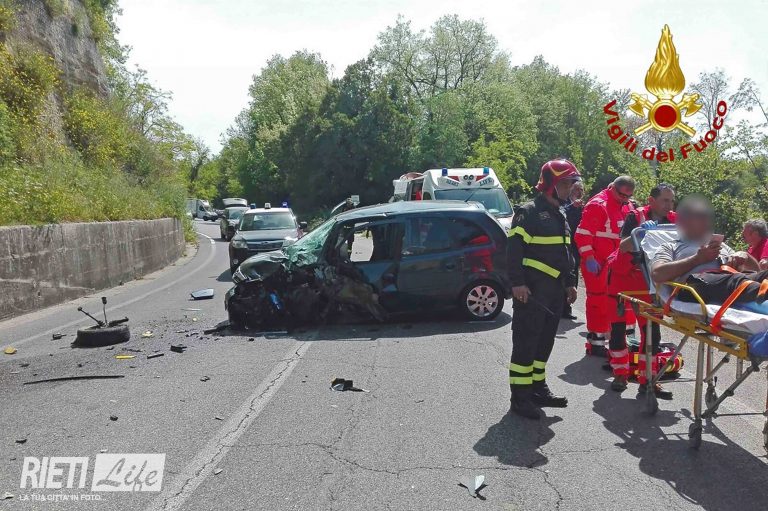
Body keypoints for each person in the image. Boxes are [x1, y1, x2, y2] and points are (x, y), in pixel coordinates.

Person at [508, 158, 580, 420]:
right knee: (526, 345)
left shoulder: (561, 213)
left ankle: (538, 389)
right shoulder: (528, 212)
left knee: (544, 343)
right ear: (551, 184)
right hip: (532, 292)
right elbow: (513, 251)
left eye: (571, 183)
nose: (571, 188)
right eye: (566, 183)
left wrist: (570, 282)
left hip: (554, 292)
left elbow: (566, 252)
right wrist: (517, 283)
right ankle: (520, 398)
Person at [607, 184, 677, 398]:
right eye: (665, 200)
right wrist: (639, 234)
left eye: (672, 200)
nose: (669, 205)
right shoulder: (635, 217)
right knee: (618, 331)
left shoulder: (674, 222)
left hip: (648, 282)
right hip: (622, 278)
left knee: (652, 334)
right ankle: (620, 374)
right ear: (651, 200)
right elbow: (623, 246)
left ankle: (648, 379)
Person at [651, 196, 767, 308]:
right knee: (735, 280)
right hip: (695, 285)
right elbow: (657, 274)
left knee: (763, 275)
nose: (706, 221)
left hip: (728, 280)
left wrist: (745, 256)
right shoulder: (671, 247)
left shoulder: (719, 244)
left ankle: (761, 292)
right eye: (699, 217)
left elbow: (757, 270)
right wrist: (697, 259)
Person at [575, 176, 636, 356]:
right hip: (598, 263)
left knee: (623, 302)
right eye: (622, 195)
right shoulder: (598, 205)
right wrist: (589, 257)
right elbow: (582, 235)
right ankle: (596, 343)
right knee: (598, 301)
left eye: (628, 196)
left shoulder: (627, 206)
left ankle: (623, 341)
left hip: (618, 264)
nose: (625, 199)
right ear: (613, 188)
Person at [562, 181, 585, 320]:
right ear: (571, 189)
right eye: (576, 189)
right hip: (564, 244)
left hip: (576, 245)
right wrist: (572, 207)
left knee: (573, 274)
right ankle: (560, 307)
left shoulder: (582, 206)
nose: (579, 192)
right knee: (563, 274)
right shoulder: (564, 202)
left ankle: (567, 307)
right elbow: (561, 213)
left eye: (581, 189)